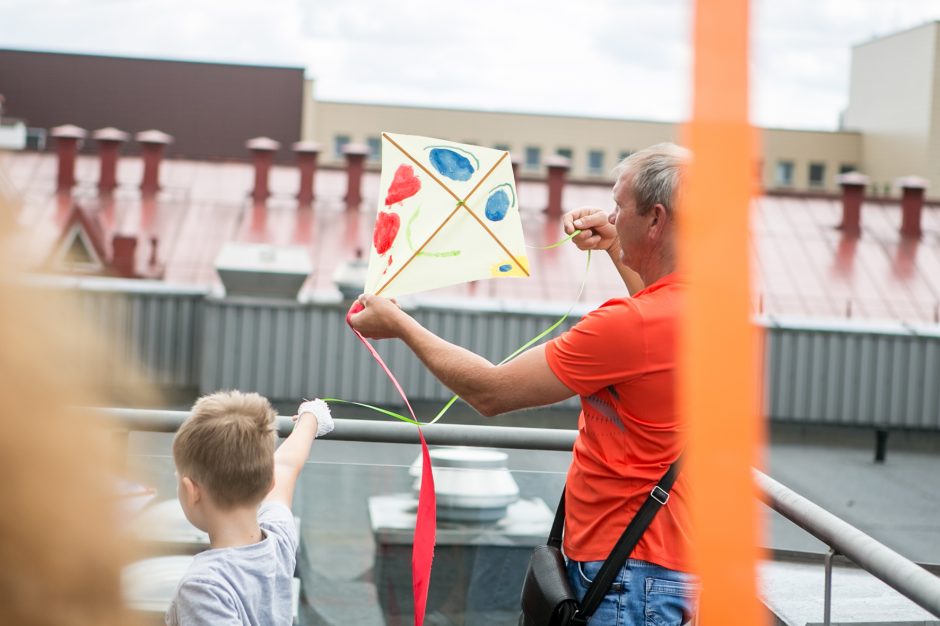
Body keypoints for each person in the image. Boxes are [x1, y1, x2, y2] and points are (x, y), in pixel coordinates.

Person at [349, 143, 696, 625]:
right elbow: (658, 320)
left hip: (626, 574)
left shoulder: (629, 325)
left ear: (656, 220)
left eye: (619, 206)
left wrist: (401, 326)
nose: (611, 216)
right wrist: (617, 246)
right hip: (661, 564)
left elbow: (491, 392)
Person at [166, 392, 334, 626]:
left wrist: (311, 417)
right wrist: (311, 417)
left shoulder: (202, 587)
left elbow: (283, 467)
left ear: (191, 491)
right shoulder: (279, 539)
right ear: (268, 483)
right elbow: (285, 466)